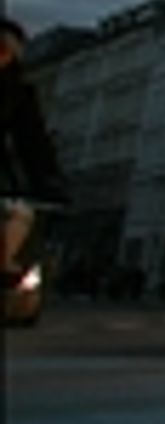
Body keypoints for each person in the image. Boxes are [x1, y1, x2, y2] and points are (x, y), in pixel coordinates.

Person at [2, 17, 72, 277]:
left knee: (19, 214)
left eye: (6, 52)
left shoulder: (17, 92)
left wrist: (48, 180)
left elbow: (33, 141)